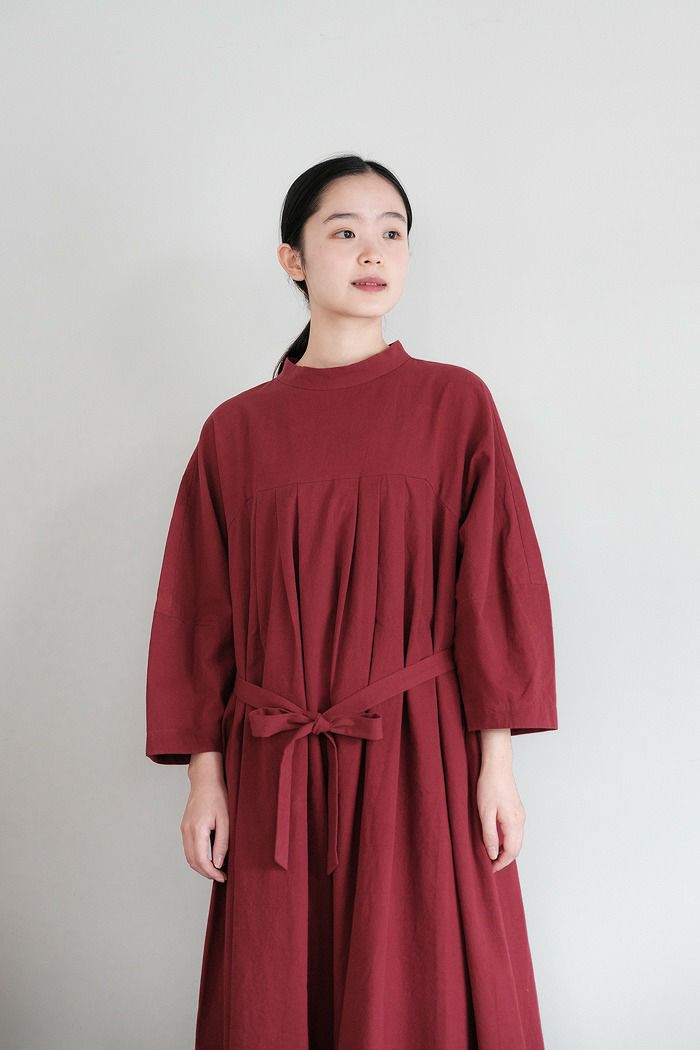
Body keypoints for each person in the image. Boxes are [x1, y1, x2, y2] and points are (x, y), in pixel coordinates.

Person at [145, 154, 558, 1050]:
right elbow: (198, 613)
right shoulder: (235, 430)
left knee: (419, 984)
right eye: (345, 231)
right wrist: (205, 780)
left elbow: (496, 589)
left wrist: (496, 765)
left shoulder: (455, 404)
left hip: (421, 756)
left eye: (392, 233)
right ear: (293, 259)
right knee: (277, 992)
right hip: (275, 764)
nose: (373, 252)